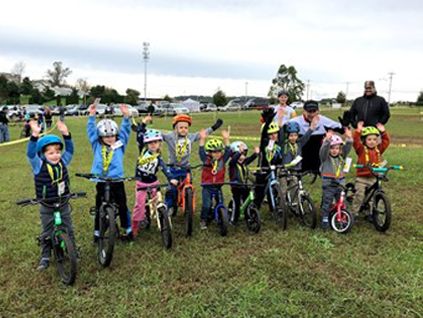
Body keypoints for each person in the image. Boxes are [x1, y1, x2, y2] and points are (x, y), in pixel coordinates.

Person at [26, 119, 76, 270]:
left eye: (58, 152)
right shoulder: (38, 164)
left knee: (68, 228)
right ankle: (45, 255)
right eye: (51, 153)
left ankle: (73, 250)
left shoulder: (63, 161)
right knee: (47, 231)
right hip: (46, 204)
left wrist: (66, 135)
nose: (56, 155)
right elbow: (30, 153)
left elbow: (70, 150)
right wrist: (34, 135)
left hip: (63, 201)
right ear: (43, 154)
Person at [87, 103, 133, 242]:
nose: (110, 138)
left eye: (112, 136)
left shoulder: (120, 143)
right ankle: (97, 232)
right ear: (100, 137)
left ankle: (128, 229)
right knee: (99, 206)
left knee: (123, 205)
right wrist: (91, 116)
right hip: (101, 180)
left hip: (117, 180)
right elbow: (91, 131)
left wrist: (126, 116)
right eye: (106, 136)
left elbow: (126, 130)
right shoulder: (96, 144)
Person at [162, 114, 223, 215]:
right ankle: (169, 205)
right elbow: (158, 134)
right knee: (171, 189)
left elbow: (202, 134)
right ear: (175, 128)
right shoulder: (170, 137)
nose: (183, 130)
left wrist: (214, 127)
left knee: (189, 185)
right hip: (173, 168)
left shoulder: (190, 137)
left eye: (186, 128)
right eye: (181, 127)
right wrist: (142, 128)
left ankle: (187, 203)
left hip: (186, 168)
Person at [131, 115, 176, 237]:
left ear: (160, 144)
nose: (152, 145)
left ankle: (161, 217)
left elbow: (165, 169)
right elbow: (139, 134)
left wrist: (171, 178)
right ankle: (134, 226)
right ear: (146, 144)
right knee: (139, 206)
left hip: (154, 182)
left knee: (158, 201)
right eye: (150, 143)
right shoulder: (143, 151)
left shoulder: (159, 157)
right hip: (141, 183)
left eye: (155, 142)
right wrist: (144, 123)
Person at [287, 100, 343, 173]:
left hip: (318, 155)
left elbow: (339, 127)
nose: (312, 114)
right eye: (309, 112)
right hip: (302, 154)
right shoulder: (295, 121)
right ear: (304, 111)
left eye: (314, 111)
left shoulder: (322, 119)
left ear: (318, 111)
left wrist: (344, 125)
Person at [351, 122, 390, 219]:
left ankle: (371, 213)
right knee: (359, 196)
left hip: (373, 177)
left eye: (374, 139)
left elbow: (386, 141)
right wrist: (358, 131)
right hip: (362, 178)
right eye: (369, 139)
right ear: (364, 140)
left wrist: (383, 132)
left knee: (373, 197)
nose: (372, 141)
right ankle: (354, 213)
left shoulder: (378, 149)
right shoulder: (361, 150)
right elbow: (355, 141)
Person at [319, 129, 353, 229]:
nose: (334, 150)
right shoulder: (325, 158)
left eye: (337, 148)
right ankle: (325, 218)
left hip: (340, 183)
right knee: (327, 202)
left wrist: (349, 138)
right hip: (328, 184)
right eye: (332, 148)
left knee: (342, 201)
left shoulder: (341, 157)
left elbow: (347, 148)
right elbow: (323, 150)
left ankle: (342, 215)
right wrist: (327, 141)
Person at [198, 129, 231, 229]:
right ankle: (203, 220)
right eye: (214, 152)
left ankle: (222, 218)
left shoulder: (222, 160)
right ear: (210, 153)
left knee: (221, 203)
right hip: (207, 187)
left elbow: (228, 151)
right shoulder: (206, 160)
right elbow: (201, 151)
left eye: (219, 152)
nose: (217, 154)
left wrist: (226, 139)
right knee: (206, 205)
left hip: (218, 186)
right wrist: (202, 139)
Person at [254, 108, 284, 209]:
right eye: (270, 134)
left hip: (273, 170)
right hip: (263, 170)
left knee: (274, 189)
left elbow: (279, 158)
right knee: (260, 192)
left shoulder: (278, 146)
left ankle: (273, 208)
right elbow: (263, 136)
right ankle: (255, 208)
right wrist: (268, 122)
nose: (273, 136)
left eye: (275, 133)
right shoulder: (264, 144)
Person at [228, 141, 259, 225]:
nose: (242, 157)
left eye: (244, 155)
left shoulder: (244, 163)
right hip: (236, 187)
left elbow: (250, 159)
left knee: (247, 202)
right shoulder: (232, 164)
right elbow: (234, 159)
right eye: (240, 155)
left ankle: (247, 216)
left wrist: (256, 154)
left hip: (245, 186)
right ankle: (233, 220)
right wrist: (239, 152)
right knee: (237, 204)